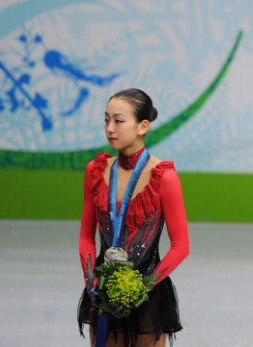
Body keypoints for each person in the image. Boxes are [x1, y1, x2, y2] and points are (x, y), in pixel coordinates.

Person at [78, 88, 190, 347]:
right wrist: (91, 279)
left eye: (118, 121)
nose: (110, 129)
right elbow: (86, 236)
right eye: (106, 120)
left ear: (142, 126)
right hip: (103, 289)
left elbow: (180, 247)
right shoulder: (95, 171)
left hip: (148, 293)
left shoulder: (164, 178)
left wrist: (141, 287)